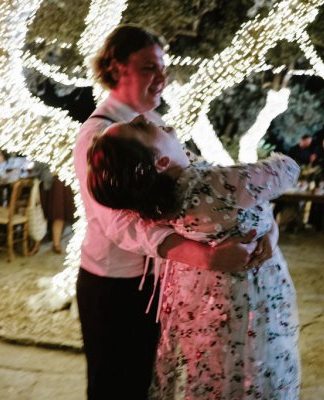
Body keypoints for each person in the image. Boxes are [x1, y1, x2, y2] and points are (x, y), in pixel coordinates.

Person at [74, 25, 268, 400]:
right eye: (149, 67)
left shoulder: (157, 124)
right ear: (116, 68)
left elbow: (202, 185)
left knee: (150, 384)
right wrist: (207, 257)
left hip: (159, 282)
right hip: (116, 288)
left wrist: (262, 227)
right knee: (115, 387)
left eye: (163, 67)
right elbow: (120, 224)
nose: (162, 78)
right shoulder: (98, 136)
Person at [87, 115, 301, 399]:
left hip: (206, 304)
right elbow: (288, 169)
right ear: (160, 163)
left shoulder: (161, 202)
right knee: (255, 366)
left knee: (215, 370)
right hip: (251, 294)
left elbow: (252, 211)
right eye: (140, 126)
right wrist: (269, 230)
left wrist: (268, 229)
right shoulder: (216, 184)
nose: (145, 118)